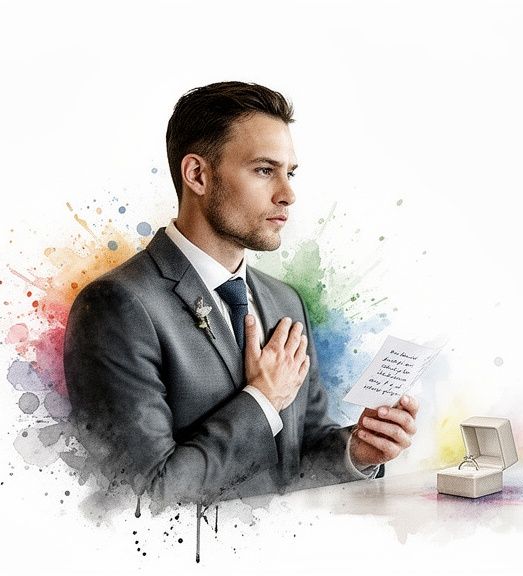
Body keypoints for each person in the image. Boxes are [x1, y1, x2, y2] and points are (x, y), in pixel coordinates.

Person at [63, 81, 418, 510]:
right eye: (265, 170)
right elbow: (146, 500)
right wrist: (262, 400)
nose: (287, 194)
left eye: (290, 172)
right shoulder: (116, 307)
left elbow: (296, 460)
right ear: (197, 174)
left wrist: (357, 451)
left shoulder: (287, 303)